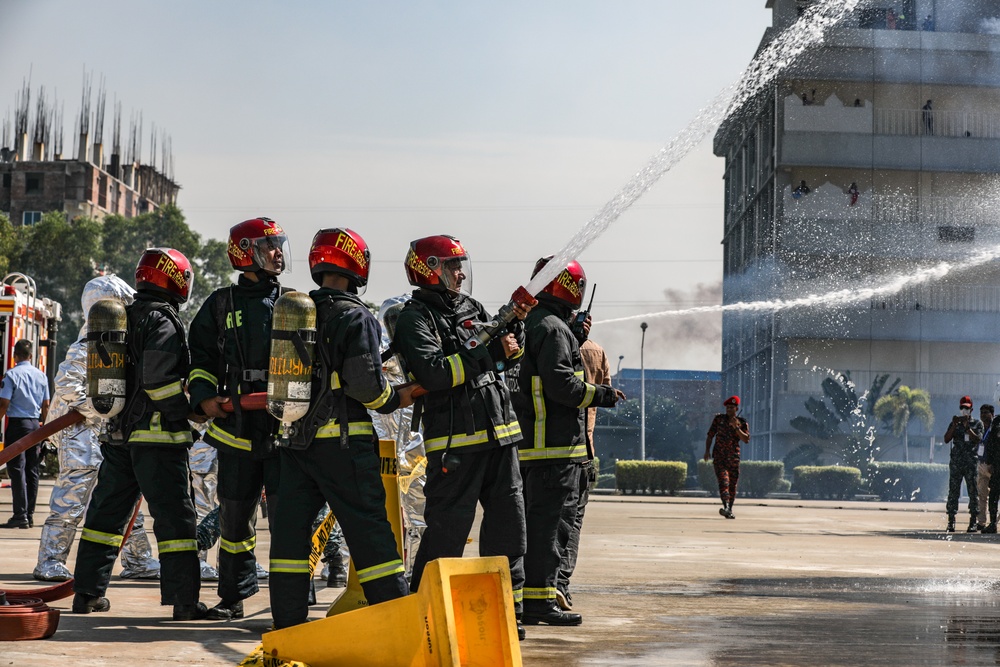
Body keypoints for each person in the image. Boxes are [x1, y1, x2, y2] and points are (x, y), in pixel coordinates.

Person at [268, 228, 413, 629]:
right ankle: (396, 617)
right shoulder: (355, 315)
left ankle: (289, 625)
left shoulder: (296, 312)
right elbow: (366, 385)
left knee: (289, 538)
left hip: (294, 443)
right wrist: (395, 397)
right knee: (370, 533)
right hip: (344, 444)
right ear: (356, 264)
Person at [392, 234, 530, 639]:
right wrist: (490, 354)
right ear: (429, 268)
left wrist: (513, 333)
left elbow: (500, 355)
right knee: (447, 533)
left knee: (510, 528)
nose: (460, 272)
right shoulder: (414, 318)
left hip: (501, 438)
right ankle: (425, 613)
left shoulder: (472, 307)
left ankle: (510, 614)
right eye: (452, 266)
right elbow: (435, 373)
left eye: (461, 265)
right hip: (455, 443)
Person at [72, 248, 207, 620]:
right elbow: (158, 380)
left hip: (118, 437)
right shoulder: (162, 321)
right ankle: (184, 602)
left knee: (105, 518)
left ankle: (86, 593)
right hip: (158, 440)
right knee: (175, 521)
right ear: (176, 280)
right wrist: (188, 413)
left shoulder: (123, 317)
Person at [187, 217, 290, 620]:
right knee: (234, 524)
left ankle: (291, 600)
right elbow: (201, 359)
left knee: (288, 522)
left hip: (283, 430)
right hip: (235, 431)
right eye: (270, 245)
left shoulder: (295, 304)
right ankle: (232, 598)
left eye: (280, 244)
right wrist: (204, 397)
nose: (279, 252)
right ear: (246, 251)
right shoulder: (219, 304)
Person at [513, 258, 623, 627]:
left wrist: (574, 337)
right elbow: (561, 385)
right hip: (554, 451)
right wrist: (602, 394)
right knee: (550, 531)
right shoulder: (554, 329)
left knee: (536, 529)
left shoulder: (535, 323)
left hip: (533, 449)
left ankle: (533, 600)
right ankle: (542, 604)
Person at [33, 275, 160, 582]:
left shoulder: (116, 346)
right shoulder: (85, 345)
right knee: (71, 499)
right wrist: (98, 410)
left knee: (124, 496)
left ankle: (138, 559)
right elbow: (66, 384)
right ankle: (50, 560)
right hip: (79, 433)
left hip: (105, 433)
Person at [555, 321, 612, 612]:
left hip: (544, 451)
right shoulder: (595, 351)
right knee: (573, 521)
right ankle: (561, 584)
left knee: (543, 520)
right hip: (584, 451)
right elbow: (605, 392)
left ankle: (541, 584)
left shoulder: (543, 338)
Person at [0, 339, 51, 529]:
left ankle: (19, 515)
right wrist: (46, 430)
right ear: (31, 356)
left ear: (15, 355)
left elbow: (4, 404)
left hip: (17, 425)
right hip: (35, 425)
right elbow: (46, 405)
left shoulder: (11, 375)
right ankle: (29, 515)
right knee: (32, 470)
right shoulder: (42, 376)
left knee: (16, 469)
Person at [704, 396, 750, 519]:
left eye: (732, 408)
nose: (729, 410)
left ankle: (729, 509)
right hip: (719, 457)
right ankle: (725, 506)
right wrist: (707, 451)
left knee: (732, 485)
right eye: (728, 407)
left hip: (734, 458)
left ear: (737, 408)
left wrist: (736, 427)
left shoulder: (742, 422)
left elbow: (746, 439)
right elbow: (710, 435)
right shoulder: (719, 419)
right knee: (723, 481)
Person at [944, 395, 982, 533]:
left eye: (966, 408)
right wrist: (955, 425)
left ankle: (973, 521)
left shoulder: (977, 424)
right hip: (956, 463)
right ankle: (951, 521)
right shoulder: (955, 423)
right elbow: (946, 439)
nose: (964, 410)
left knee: (973, 492)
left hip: (971, 463)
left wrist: (967, 428)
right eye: (962, 407)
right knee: (953, 492)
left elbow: (978, 439)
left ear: (971, 409)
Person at [975, 404, 995, 532]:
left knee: (995, 496)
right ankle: (981, 522)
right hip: (981, 465)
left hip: (993, 467)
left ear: (992, 414)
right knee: (982, 495)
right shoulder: (980, 428)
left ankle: (994, 521)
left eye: (986, 412)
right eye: (981, 412)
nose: (983, 415)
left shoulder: (996, 428)